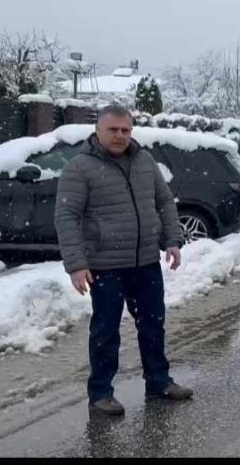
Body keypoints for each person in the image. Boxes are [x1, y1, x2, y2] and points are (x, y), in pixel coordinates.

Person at [55, 105, 193, 416]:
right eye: (113, 130)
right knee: (105, 331)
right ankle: (101, 393)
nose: (120, 136)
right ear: (98, 131)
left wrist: (172, 240)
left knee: (153, 326)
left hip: (145, 262)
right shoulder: (79, 167)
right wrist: (76, 264)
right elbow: (66, 216)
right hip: (105, 265)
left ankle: (159, 381)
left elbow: (164, 202)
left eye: (126, 130)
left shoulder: (144, 161)